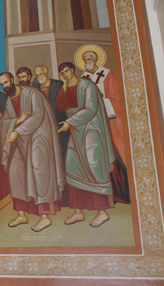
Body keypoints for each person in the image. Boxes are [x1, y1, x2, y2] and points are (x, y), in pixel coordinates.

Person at [0, 72, 65, 232]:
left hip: (39, 136)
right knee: (15, 171)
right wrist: (17, 121)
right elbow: (4, 121)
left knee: (38, 171)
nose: (5, 86)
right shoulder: (9, 99)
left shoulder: (33, 93)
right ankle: (22, 215)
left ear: (12, 80)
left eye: (7, 82)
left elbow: (38, 117)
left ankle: (45, 217)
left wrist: (17, 130)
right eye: (2, 84)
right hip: (20, 140)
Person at [56, 62, 115, 227]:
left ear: (72, 70)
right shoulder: (66, 86)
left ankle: (102, 212)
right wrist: (65, 87)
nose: (64, 75)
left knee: (93, 166)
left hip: (91, 129)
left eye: (66, 71)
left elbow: (90, 109)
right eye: (61, 73)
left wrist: (69, 122)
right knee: (73, 166)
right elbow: (61, 105)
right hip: (76, 130)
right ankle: (78, 212)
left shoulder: (87, 86)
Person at [80, 50, 126, 164]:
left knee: (113, 139)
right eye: (85, 60)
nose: (87, 62)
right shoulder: (83, 76)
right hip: (93, 115)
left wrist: (103, 102)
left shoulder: (106, 73)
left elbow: (115, 95)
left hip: (107, 112)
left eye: (89, 59)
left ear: (95, 60)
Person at [32, 65, 70, 164]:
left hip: (58, 120)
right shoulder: (36, 85)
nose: (39, 77)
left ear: (46, 73)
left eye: (41, 74)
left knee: (61, 149)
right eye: (37, 75)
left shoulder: (58, 84)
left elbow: (64, 103)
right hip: (43, 123)